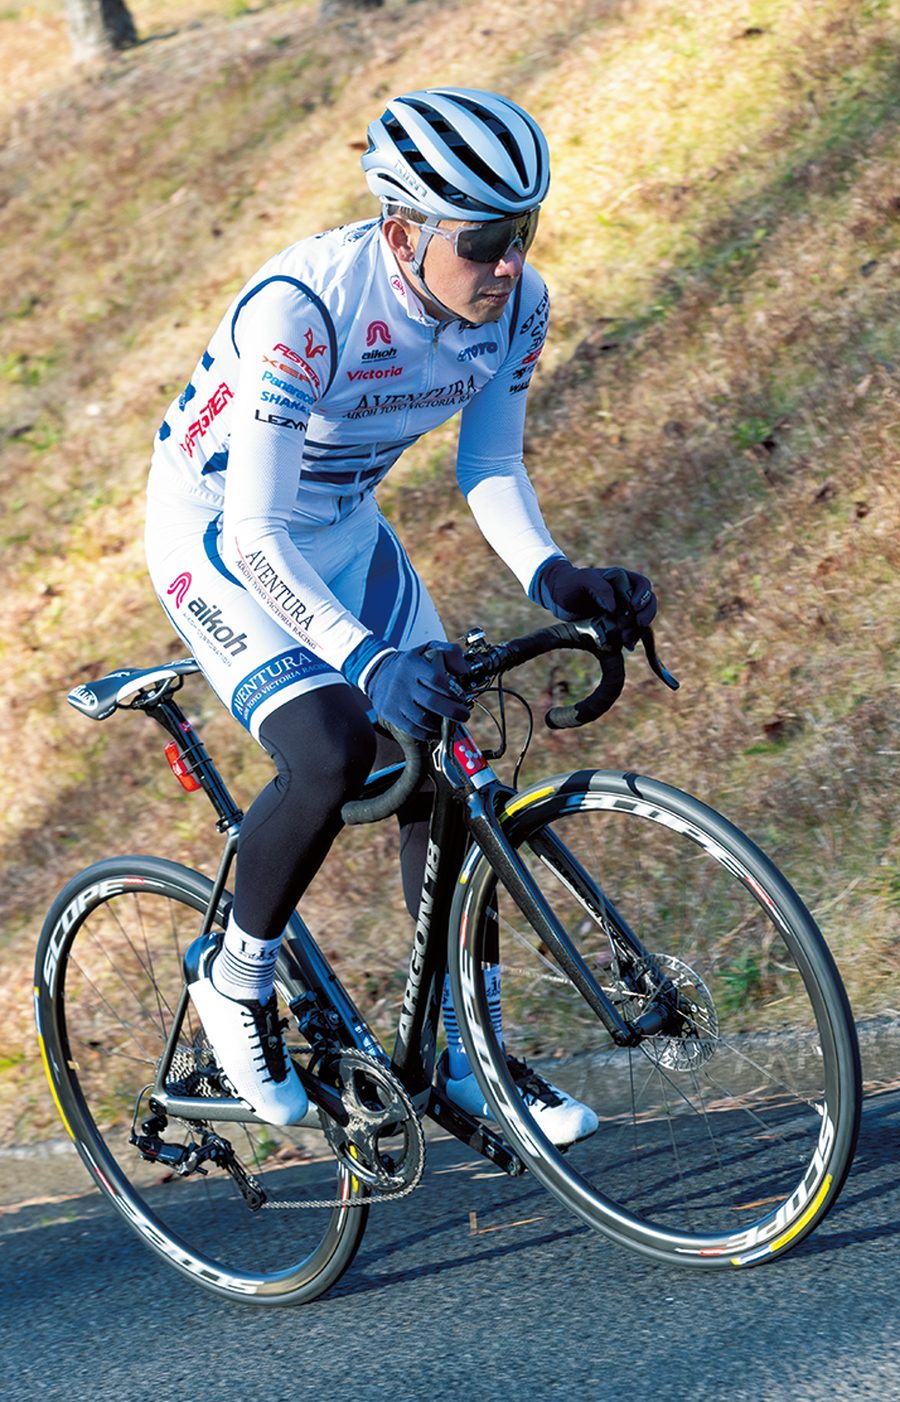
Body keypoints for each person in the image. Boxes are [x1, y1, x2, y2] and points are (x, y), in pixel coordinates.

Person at [145, 87, 656, 1145]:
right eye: (483, 241)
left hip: (340, 527)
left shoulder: (518, 302)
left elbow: (492, 461)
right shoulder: (303, 312)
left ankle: (468, 1055)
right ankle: (234, 977)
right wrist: (367, 662)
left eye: (522, 231)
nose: (508, 264)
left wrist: (554, 574)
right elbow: (255, 535)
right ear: (401, 232)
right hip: (223, 534)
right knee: (333, 748)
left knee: (443, 756)